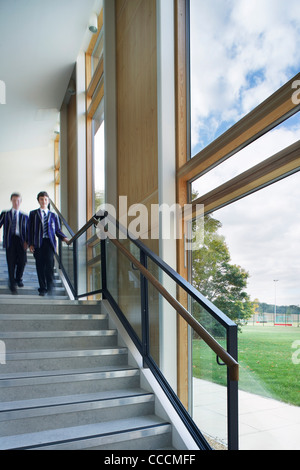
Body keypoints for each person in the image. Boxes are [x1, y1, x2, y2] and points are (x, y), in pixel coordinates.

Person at [29, 191, 69, 296]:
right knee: (40, 266)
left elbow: (57, 230)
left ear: (48, 201)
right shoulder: (33, 214)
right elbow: (30, 230)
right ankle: (42, 288)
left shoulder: (53, 216)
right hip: (38, 243)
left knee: (50, 265)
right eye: (41, 199)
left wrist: (65, 238)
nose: (43, 201)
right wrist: (30, 244)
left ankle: (50, 286)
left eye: (45, 199)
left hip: (49, 243)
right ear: (38, 200)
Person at [0, 193, 28, 294]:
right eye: (14, 200)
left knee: (22, 261)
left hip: (21, 241)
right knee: (11, 263)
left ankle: (18, 278)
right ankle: (12, 284)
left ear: (20, 202)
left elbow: (28, 230)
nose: (16, 202)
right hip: (10, 241)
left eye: (18, 201)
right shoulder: (5, 214)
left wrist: (27, 242)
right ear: (11, 201)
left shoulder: (25, 216)